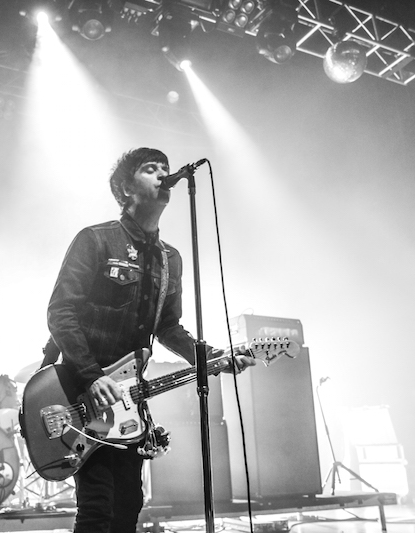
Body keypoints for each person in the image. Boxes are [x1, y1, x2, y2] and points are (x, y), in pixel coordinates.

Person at [46, 148, 254, 533]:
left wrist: (214, 358)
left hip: (129, 400)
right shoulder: (95, 240)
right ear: (127, 188)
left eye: (165, 168)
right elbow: (61, 311)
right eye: (150, 169)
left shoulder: (169, 259)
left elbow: (169, 327)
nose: (163, 174)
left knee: (128, 506)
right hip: (84, 391)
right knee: (98, 508)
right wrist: (92, 374)